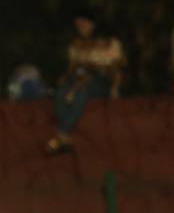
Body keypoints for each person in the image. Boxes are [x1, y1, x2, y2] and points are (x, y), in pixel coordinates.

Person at [45, 16, 125, 155]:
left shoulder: (109, 42)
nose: (80, 29)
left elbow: (117, 66)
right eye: (78, 26)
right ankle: (64, 136)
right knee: (60, 92)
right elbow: (72, 67)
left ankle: (61, 132)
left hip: (99, 79)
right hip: (78, 77)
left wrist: (112, 84)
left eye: (84, 25)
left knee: (82, 91)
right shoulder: (77, 44)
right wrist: (66, 76)